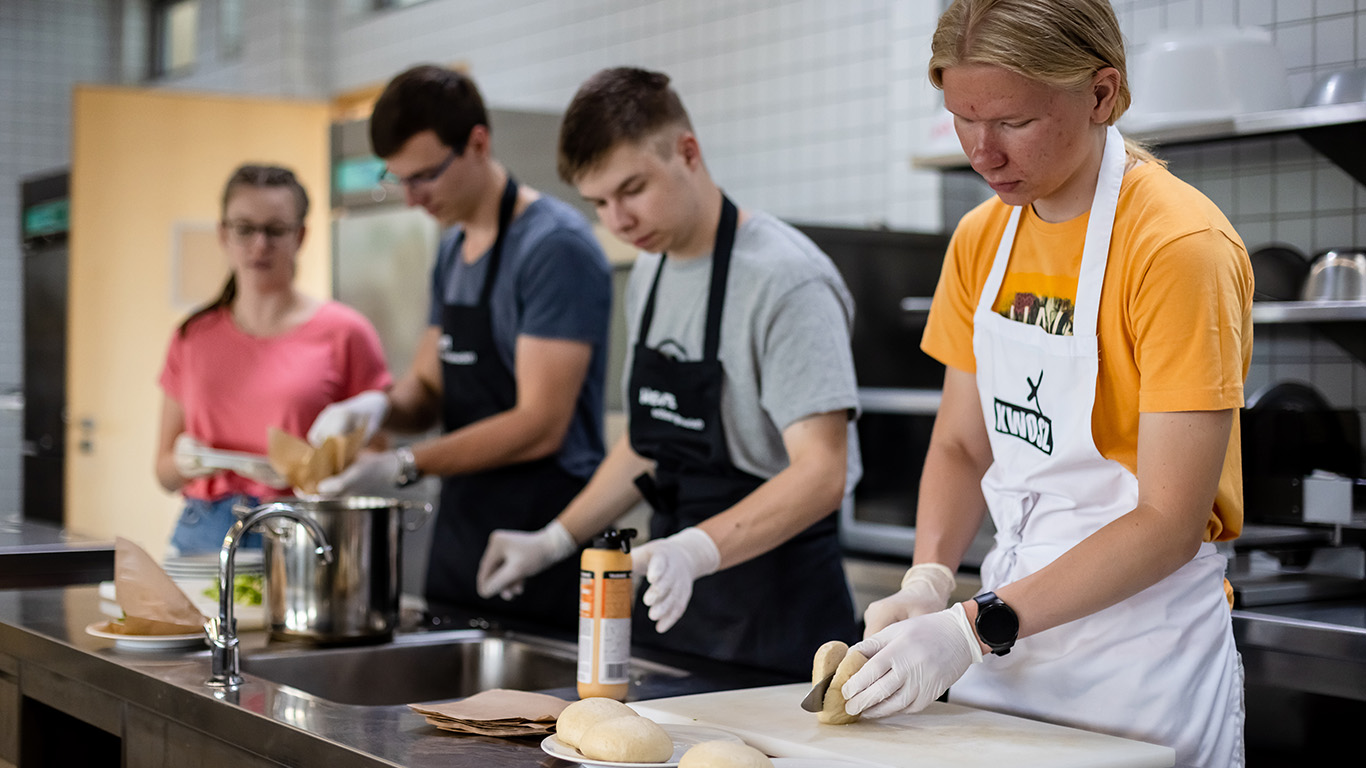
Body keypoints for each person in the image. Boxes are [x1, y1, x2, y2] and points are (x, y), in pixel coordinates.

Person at [842, 2, 1251, 766]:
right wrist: (931, 581)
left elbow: (1167, 519)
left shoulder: (1178, 247)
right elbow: (964, 446)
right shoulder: (982, 239)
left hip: (1139, 663)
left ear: (1102, 94)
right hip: (1006, 650)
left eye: (1012, 122)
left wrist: (970, 627)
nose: (982, 152)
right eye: (962, 118)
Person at [476, 67, 862, 677]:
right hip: (677, 614)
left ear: (687, 152)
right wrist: (554, 539)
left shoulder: (786, 280)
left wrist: (696, 549)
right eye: (599, 202)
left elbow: (822, 472)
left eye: (632, 189)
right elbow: (650, 440)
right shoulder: (652, 272)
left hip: (778, 618)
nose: (618, 221)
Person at [307, 65, 613, 629]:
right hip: (462, 528)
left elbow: (540, 422)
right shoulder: (452, 252)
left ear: (478, 143)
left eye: (425, 176)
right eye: (398, 179)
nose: (412, 197)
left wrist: (402, 464)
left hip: (538, 535)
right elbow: (426, 390)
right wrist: (374, 406)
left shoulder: (553, 249)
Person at [155, 163, 391, 557]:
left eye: (275, 230)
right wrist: (186, 462)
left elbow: (378, 453)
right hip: (202, 536)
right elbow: (163, 471)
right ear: (223, 234)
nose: (259, 245)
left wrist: (328, 471)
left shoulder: (346, 332)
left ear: (300, 235)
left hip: (301, 534)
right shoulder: (192, 336)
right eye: (245, 229)